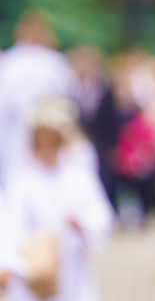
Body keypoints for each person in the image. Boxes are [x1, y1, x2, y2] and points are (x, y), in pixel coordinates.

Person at [4, 97, 115, 301]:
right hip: (34, 268)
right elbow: (11, 225)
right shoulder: (22, 181)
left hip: (73, 269)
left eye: (52, 143)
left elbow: (100, 215)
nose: (47, 150)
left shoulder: (78, 176)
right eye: (41, 144)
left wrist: (81, 224)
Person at [0, 9, 79, 188]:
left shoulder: (55, 62)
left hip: (48, 131)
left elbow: (65, 100)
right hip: (16, 131)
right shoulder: (12, 61)